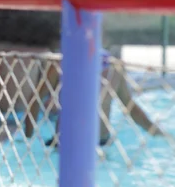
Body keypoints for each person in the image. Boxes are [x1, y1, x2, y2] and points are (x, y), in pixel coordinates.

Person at [25, 49, 166, 147]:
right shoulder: (60, 65)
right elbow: (36, 99)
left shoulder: (113, 69)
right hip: (65, 143)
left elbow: (131, 108)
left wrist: (159, 135)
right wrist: (28, 139)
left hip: (99, 144)